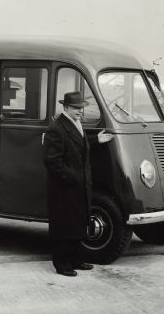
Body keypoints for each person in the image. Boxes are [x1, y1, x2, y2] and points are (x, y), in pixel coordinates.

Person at [43, 91, 113, 277]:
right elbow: (52, 162)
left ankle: (74, 259)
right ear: (65, 107)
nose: (80, 111)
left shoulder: (74, 124)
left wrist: (96, 140)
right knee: (63, 226)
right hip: (64, 188)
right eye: (76, 108)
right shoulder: (56, 128)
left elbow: (77, 147)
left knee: (77, 224)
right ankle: (62, 264)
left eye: (81, 108)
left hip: (77, 187)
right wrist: (73, 177)